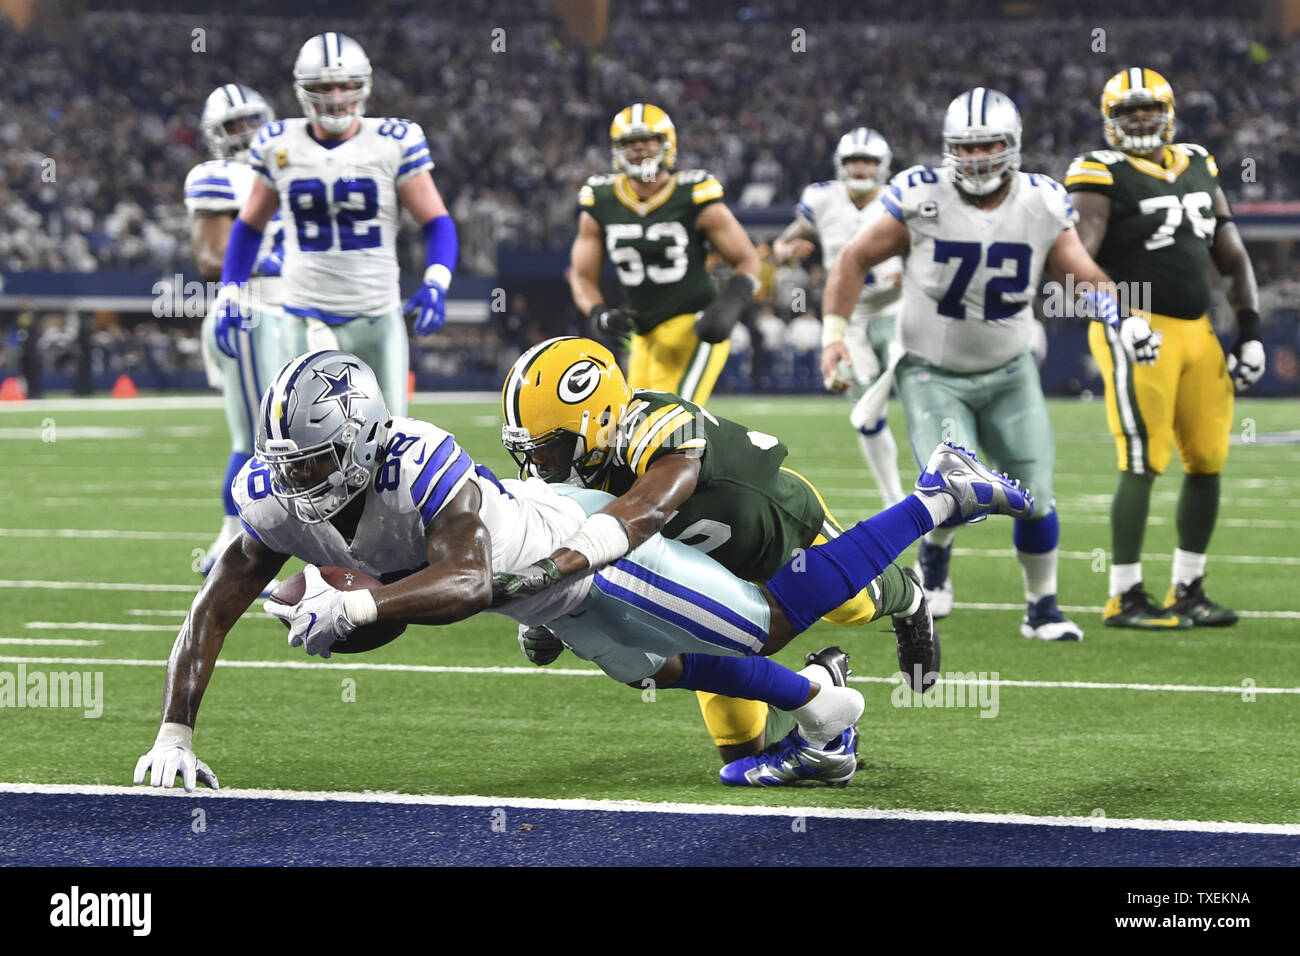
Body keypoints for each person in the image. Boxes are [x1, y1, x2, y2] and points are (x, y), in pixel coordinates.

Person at [132, 351, 1031, 793]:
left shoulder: (424, 460)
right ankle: (826, 710)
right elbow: (212, 607)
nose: (302, 482)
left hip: (634, 549)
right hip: (565, 576)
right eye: (292, 463)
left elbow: (474, 577)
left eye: (320, 463)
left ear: (366, 442)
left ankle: (939, 500)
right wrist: (176, 731)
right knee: (652, 669)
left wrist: (370, 608)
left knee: (773, 620)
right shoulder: (284, 497)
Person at [500, 336, 934, 784]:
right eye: (529, 451)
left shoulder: (653, 422)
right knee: (746, 745)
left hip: (774, 532)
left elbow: (647, 505)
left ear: (603, 420)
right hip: (705, 578)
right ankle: (822, 687)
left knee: (857, 604)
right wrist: (543, 615)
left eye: (549, 449)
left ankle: (909, 596)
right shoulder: (571, 476)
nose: (537, 465)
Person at [821, 87, 1162, 642]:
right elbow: (855, 257)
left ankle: (1042, 608)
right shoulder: (919, 193)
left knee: (1035, 495)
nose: (978, 158)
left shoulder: (1043, 201)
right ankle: (935, 558)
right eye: (967, 147)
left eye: (990, 145)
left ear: (1014, 146)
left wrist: (1124, 318)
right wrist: (834, 335)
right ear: (949, 148)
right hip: (931, 370)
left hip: (1009, 369)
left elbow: (1079, 271)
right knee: (951, 491)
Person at [1065, 67, 1262, 628]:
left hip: (1196, 329)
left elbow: (1233, 252)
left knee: (1208, 458)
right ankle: (1124, 594)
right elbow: (1078, 263)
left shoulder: (1198, 161)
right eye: (1128, 112)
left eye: (1149, 108)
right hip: (1136, 325)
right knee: (1143, 459)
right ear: (1110, 121)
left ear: (1169, 112)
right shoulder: (1099, 171)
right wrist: (1120, 317)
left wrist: (1249, 330)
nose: (1141, 119)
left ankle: (1189, 588)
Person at [214, 31, 456, 418]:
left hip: (376, 311)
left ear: (364, 87)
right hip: (303, 313)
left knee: (390, 438)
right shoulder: (279, 142)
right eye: (325, 86)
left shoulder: (394, 140)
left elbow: (436, 221)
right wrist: (230, 291)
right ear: (303, 90)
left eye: (346, 84)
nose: (337, 95)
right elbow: (249, 226)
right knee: (296, 436)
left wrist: (436, 281)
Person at [569, 103, 761, 406]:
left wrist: (728, 306)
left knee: (671, 424)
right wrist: (598, 312)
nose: (639, 150)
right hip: (642, 334)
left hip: (692, 328)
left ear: (666, 145)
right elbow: (581, 275)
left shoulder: (693, 193)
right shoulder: (601, 199)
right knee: (631, 427)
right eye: (629, 143)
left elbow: (748, 259)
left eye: (648, 141)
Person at [773, 127, 907, 508]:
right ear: (841, 164)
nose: (860, 168)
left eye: (868, 161)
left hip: (898, 307)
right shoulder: (822, 198)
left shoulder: (901, 197)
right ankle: (892, 494)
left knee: (912, 376)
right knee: (865, 415)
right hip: (847, 315)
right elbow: (782, 243)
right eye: (853, 161)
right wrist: (787, 251)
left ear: (882, 166)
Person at [185, 83, 286, 578]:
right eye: (234, 125)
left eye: (252, 121)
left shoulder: (292, 161)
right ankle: (236, 544)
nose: (246, 133)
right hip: (246, 310)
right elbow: (209, 260)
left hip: (289, 311)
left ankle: (233, 544)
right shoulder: (216, 176)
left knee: (287, 433)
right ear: (215, 136)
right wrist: (275, 260)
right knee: (258, 437)